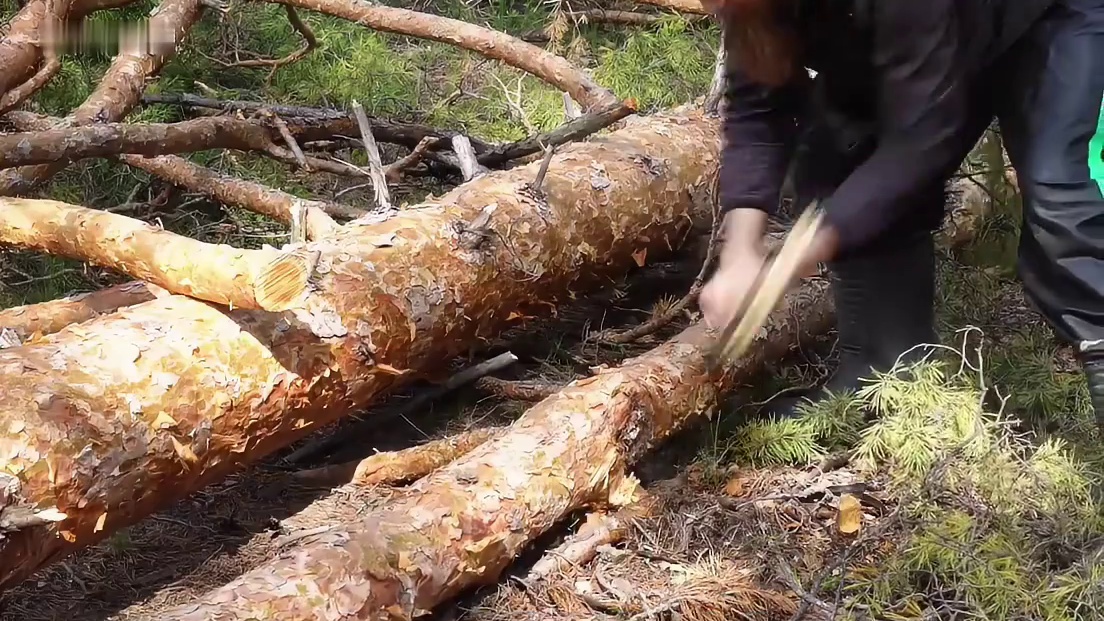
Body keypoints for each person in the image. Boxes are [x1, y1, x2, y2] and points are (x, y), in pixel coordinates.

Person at [698, 0, 1104, 425]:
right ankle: (886, 373)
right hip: (944, 33)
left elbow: (920, 142)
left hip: (1047, 15)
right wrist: (740, 252)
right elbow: (757, 110)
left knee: (1060, 193)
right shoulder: (749, 9)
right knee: (844, 150)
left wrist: (790, 261)